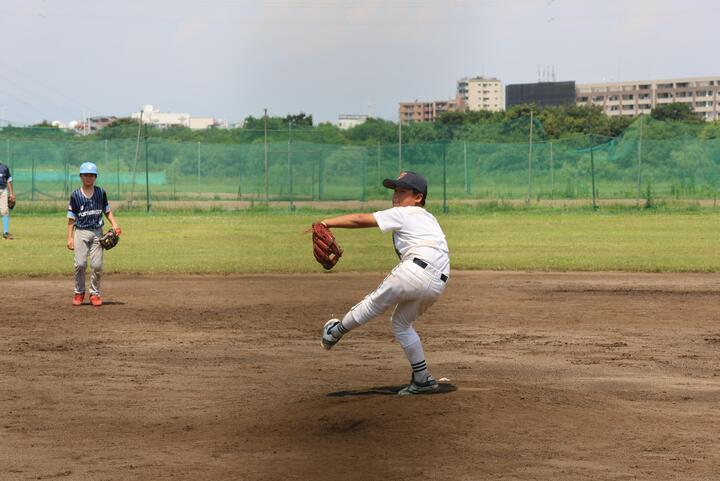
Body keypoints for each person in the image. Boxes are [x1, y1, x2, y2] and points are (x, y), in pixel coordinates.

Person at [319, 171, 450, 396]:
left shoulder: (405, 213)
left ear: (418, 197)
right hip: (439, 281)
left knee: (373, 303)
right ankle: (422, 379)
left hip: (414, 271)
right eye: (395, 191)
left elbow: (360, 219)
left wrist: (326, 222)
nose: (395, 197)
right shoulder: (430, 218)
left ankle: (335, 331)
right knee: (401, 324)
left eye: (402, 192)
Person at [66, 162, 121, 307]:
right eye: (85, 175)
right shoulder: (75, 196)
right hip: (81, 232)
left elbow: (107, 210)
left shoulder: (100, 193)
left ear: (95, 177)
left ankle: (94, 294)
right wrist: (70, 238)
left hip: (97, 232)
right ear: (81, 177)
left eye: (91, 175)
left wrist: (114, 224)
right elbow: (71, 218)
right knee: (80, 264)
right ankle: (79, 292)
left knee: (97, 265)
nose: (88, 177)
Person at [0, 162, 15, 240]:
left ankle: (5, 233)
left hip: (3, 191)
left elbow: (9, 181)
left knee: (5, 211)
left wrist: (11, 194)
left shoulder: (4, 167)